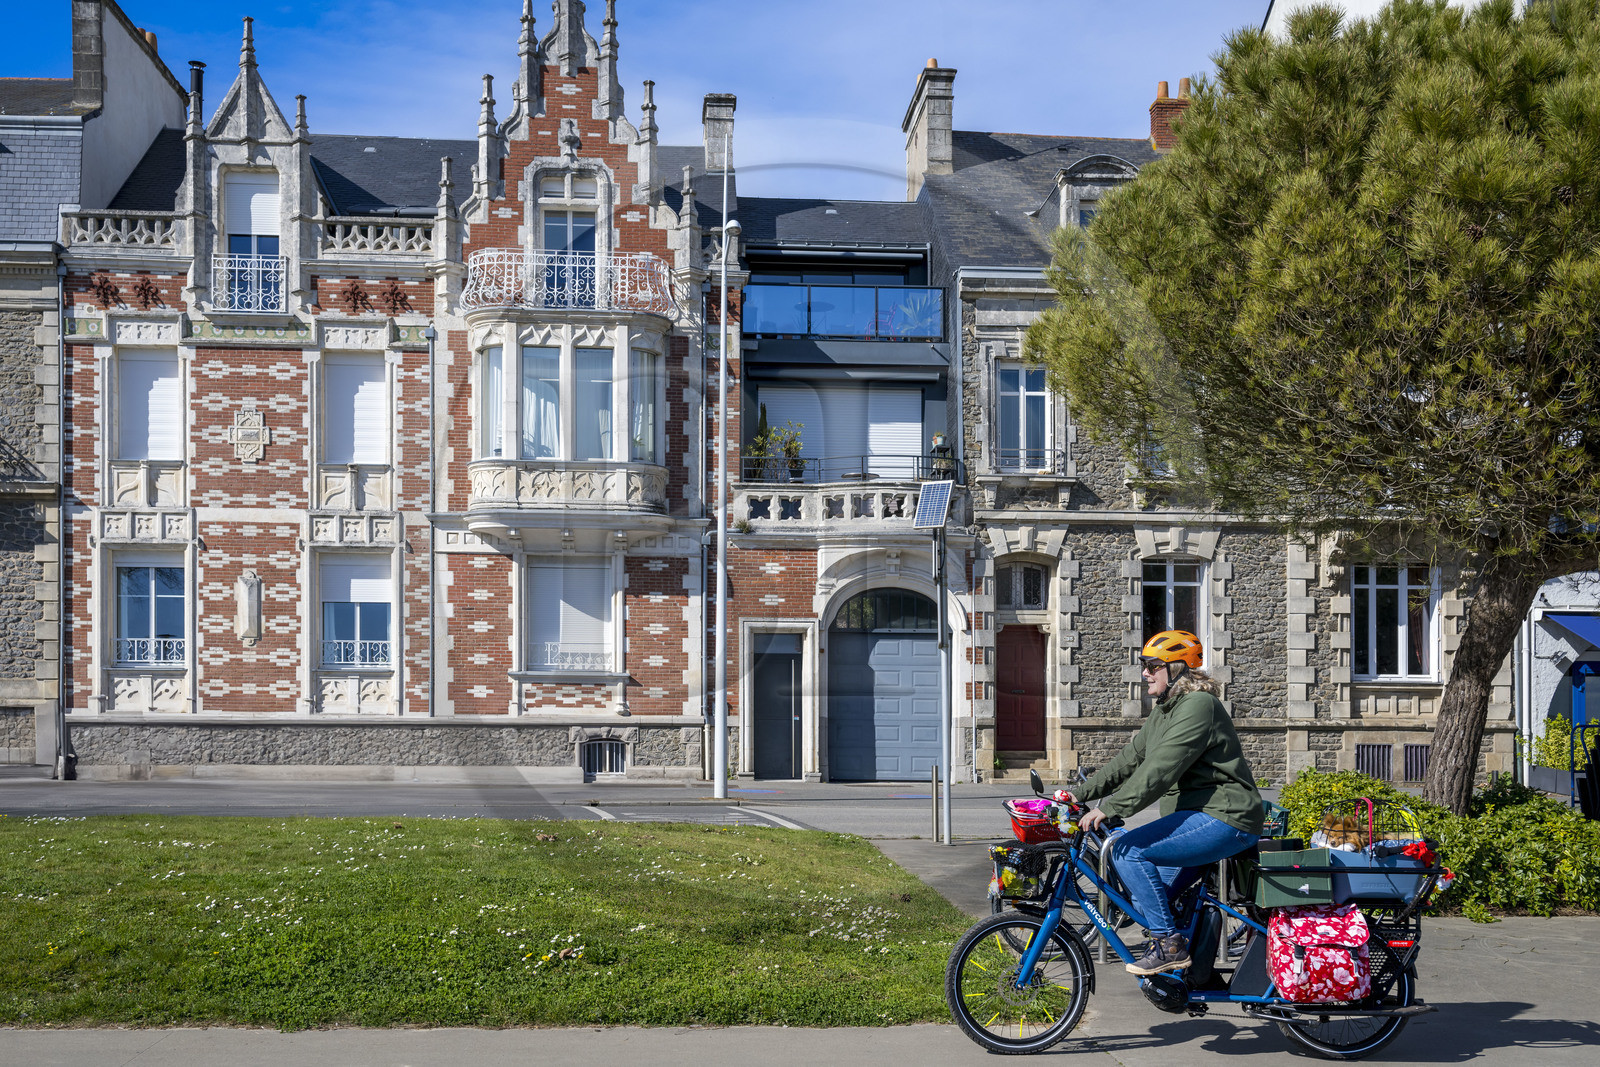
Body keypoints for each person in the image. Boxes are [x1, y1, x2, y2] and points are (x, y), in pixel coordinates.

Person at [1061, 629, 1264, 976]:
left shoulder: (1200, 706)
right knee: (1144, 899)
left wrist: (1112, 807)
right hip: (1197, 816)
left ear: (1179, 669)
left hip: (1226, 816)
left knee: (1128, 852)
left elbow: (1162, 767)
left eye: (1153, 665)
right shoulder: (1165, 710)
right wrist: (1077, 794)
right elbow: (1131, 759)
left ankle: (1169, 945)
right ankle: (1192, 975)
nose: (1144, 673)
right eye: (1144, 664)